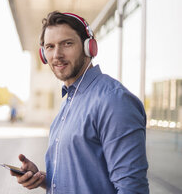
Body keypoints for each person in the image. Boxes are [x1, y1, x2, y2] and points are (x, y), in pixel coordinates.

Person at [10, 11, 149, 193]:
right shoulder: (70, 99)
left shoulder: (114, 101)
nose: (57, 54)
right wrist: (42, 179)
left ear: (89, 47)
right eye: (50, 47)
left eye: (67, 44)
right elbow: (84, 178)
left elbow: (132, 188)